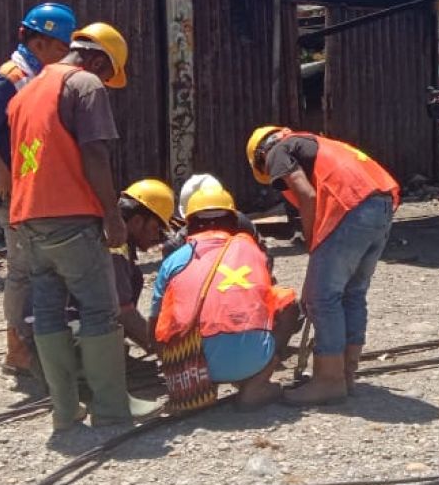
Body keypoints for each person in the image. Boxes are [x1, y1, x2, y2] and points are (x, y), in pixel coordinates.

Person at [8, 22, 159, 431]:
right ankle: (111, 408)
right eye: (108, 74)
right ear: (97, 59)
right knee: (100, 309)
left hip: (28, 218)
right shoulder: (84, 85)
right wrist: (112, 216)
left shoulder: (28, 91)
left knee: (48, 311)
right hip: (71, 214)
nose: (106, 84)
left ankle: (65, 410)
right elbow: (95, 154)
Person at [0, 2, 75, 376]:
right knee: (24, 270)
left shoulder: (38, 73)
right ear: (41, 42)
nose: (64, 54)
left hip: (31, 195)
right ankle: (19, 349)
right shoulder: (11, 77)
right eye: (61, 47)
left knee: (39, 268)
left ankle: (38, 341)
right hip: (12, 196)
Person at [246, 125, 399, 404]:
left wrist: (312, 243)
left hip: (350, 207)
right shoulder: (316, 143)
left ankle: (329, 380)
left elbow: (308, 196)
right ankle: (345, 374)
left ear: (261, 156)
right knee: (352, 293)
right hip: (382, 204)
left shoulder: (278, 150)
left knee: (320, 297)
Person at [150, 182, 299, 411]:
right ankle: (256, 383)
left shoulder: (173, 259)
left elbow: (154, 322)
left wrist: (170, 365)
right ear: (234, 220)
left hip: (190, 365)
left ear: (189, 223)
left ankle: (197, 386)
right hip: (250, 360)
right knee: (287, 303)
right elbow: (262, 299)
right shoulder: (252, 251)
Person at [111, 179, 176, 353]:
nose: (157, 237)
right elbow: (124, 313)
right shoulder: (115, 250)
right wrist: (167, 352)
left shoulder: (117, 241)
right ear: (138, 221)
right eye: (156, 228)